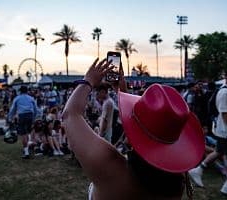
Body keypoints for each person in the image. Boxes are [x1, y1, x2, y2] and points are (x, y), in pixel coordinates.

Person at [62, 58, 205, 200]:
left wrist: (88, 81)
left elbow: (70, 115)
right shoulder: (175, 184)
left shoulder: (110, 166)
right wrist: (122, 92)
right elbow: (147, 132)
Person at [189, 69, 227, 196]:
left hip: (223, 130)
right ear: (226, 77)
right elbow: (224, 113)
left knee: (218, 151)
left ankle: (198, 170)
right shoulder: (225, 92)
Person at [8, 86, 37, 159]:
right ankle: (29, 144)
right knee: (28, 131)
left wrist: (10, 118)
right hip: (30, 114)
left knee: (23, 134)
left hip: (22, 116)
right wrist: (34, 118)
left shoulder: (17, 98)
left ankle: (26, 153)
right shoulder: (31, 98)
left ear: (20, 91)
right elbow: (35, 109)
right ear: (27, 91)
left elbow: (13, 109)